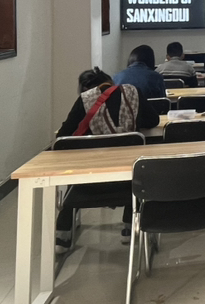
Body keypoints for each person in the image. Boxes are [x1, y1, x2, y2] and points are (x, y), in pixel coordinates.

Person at [55, 67, 159, 252]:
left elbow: (63, 137)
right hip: (130, 184)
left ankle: (62, 235)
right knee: (134, 166)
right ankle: (128, 226)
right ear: (110, 82)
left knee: (78, 172)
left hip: (87, 185)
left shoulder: (84, 100)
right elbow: (153, 121)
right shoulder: (133, 93)